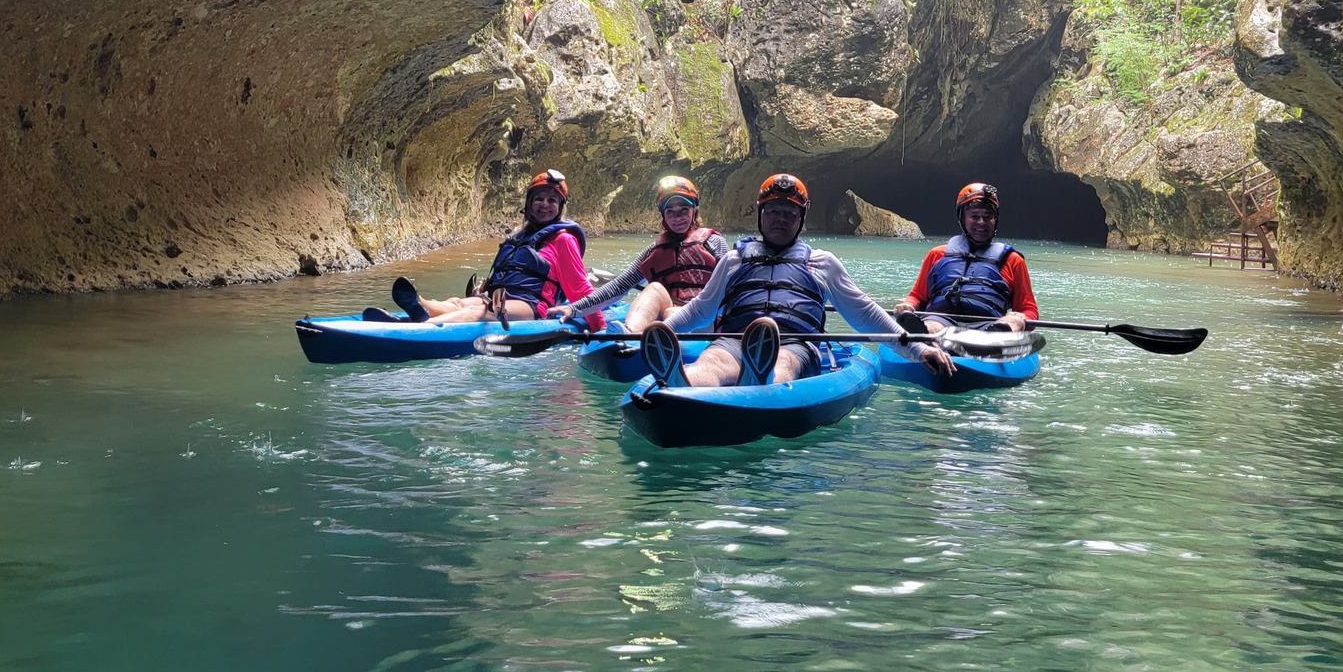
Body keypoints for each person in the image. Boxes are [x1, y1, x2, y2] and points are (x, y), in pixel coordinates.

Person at [640, 173, 951, 387]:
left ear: (801, 219)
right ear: (761, 215)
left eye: (789, 213)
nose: (781, 219)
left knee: (784, 364)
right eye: (773, 211)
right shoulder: (734, 260)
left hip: (796, 344)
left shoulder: (822, 263)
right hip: (735, 340)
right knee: (713, 362)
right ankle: (684, 382)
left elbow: (866, 315)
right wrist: (660, 332)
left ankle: (760, 378)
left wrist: (918, 349)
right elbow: (700, 310)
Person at [393, 170, 596, 326]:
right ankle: (421, 306)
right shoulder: (520, 236)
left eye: (552, 200)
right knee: (458, 303)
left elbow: (580, 288)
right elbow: (509, 272)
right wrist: (485, 288)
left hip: (531, 306)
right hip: (498, 298)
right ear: (529, 204)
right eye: (539, 199)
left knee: (478, 312)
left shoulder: (564, 240)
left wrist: (598, 326)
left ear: (560, 207)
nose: (545, 204)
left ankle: (423, 327)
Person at [553, 175, 729, 332]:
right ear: (663, 215)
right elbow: (619, 286)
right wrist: (574, 308)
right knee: (654, 289)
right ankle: (629, 334)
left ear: (694, 211)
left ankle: (661, 338)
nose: (677, 217)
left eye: (684, 209)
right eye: (670, 211)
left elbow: (735, 283)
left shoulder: (713, 242)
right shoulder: (653, 251)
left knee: (672, 312)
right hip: (669, 317)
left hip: (706, 317)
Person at [895, 183, 1039, 372]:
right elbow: (918, 296)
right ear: (962, 219)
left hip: (989, 324)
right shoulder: (937, 254)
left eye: (988, 217)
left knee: (1014, 320)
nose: (982, 222)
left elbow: (1029, 309)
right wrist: (908, 305)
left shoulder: (1013, 260)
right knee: (932, 326)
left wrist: (1020, 318)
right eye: (975, 216)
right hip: (942, 320)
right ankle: (926, 338)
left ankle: (991, 341)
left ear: (995, 220)